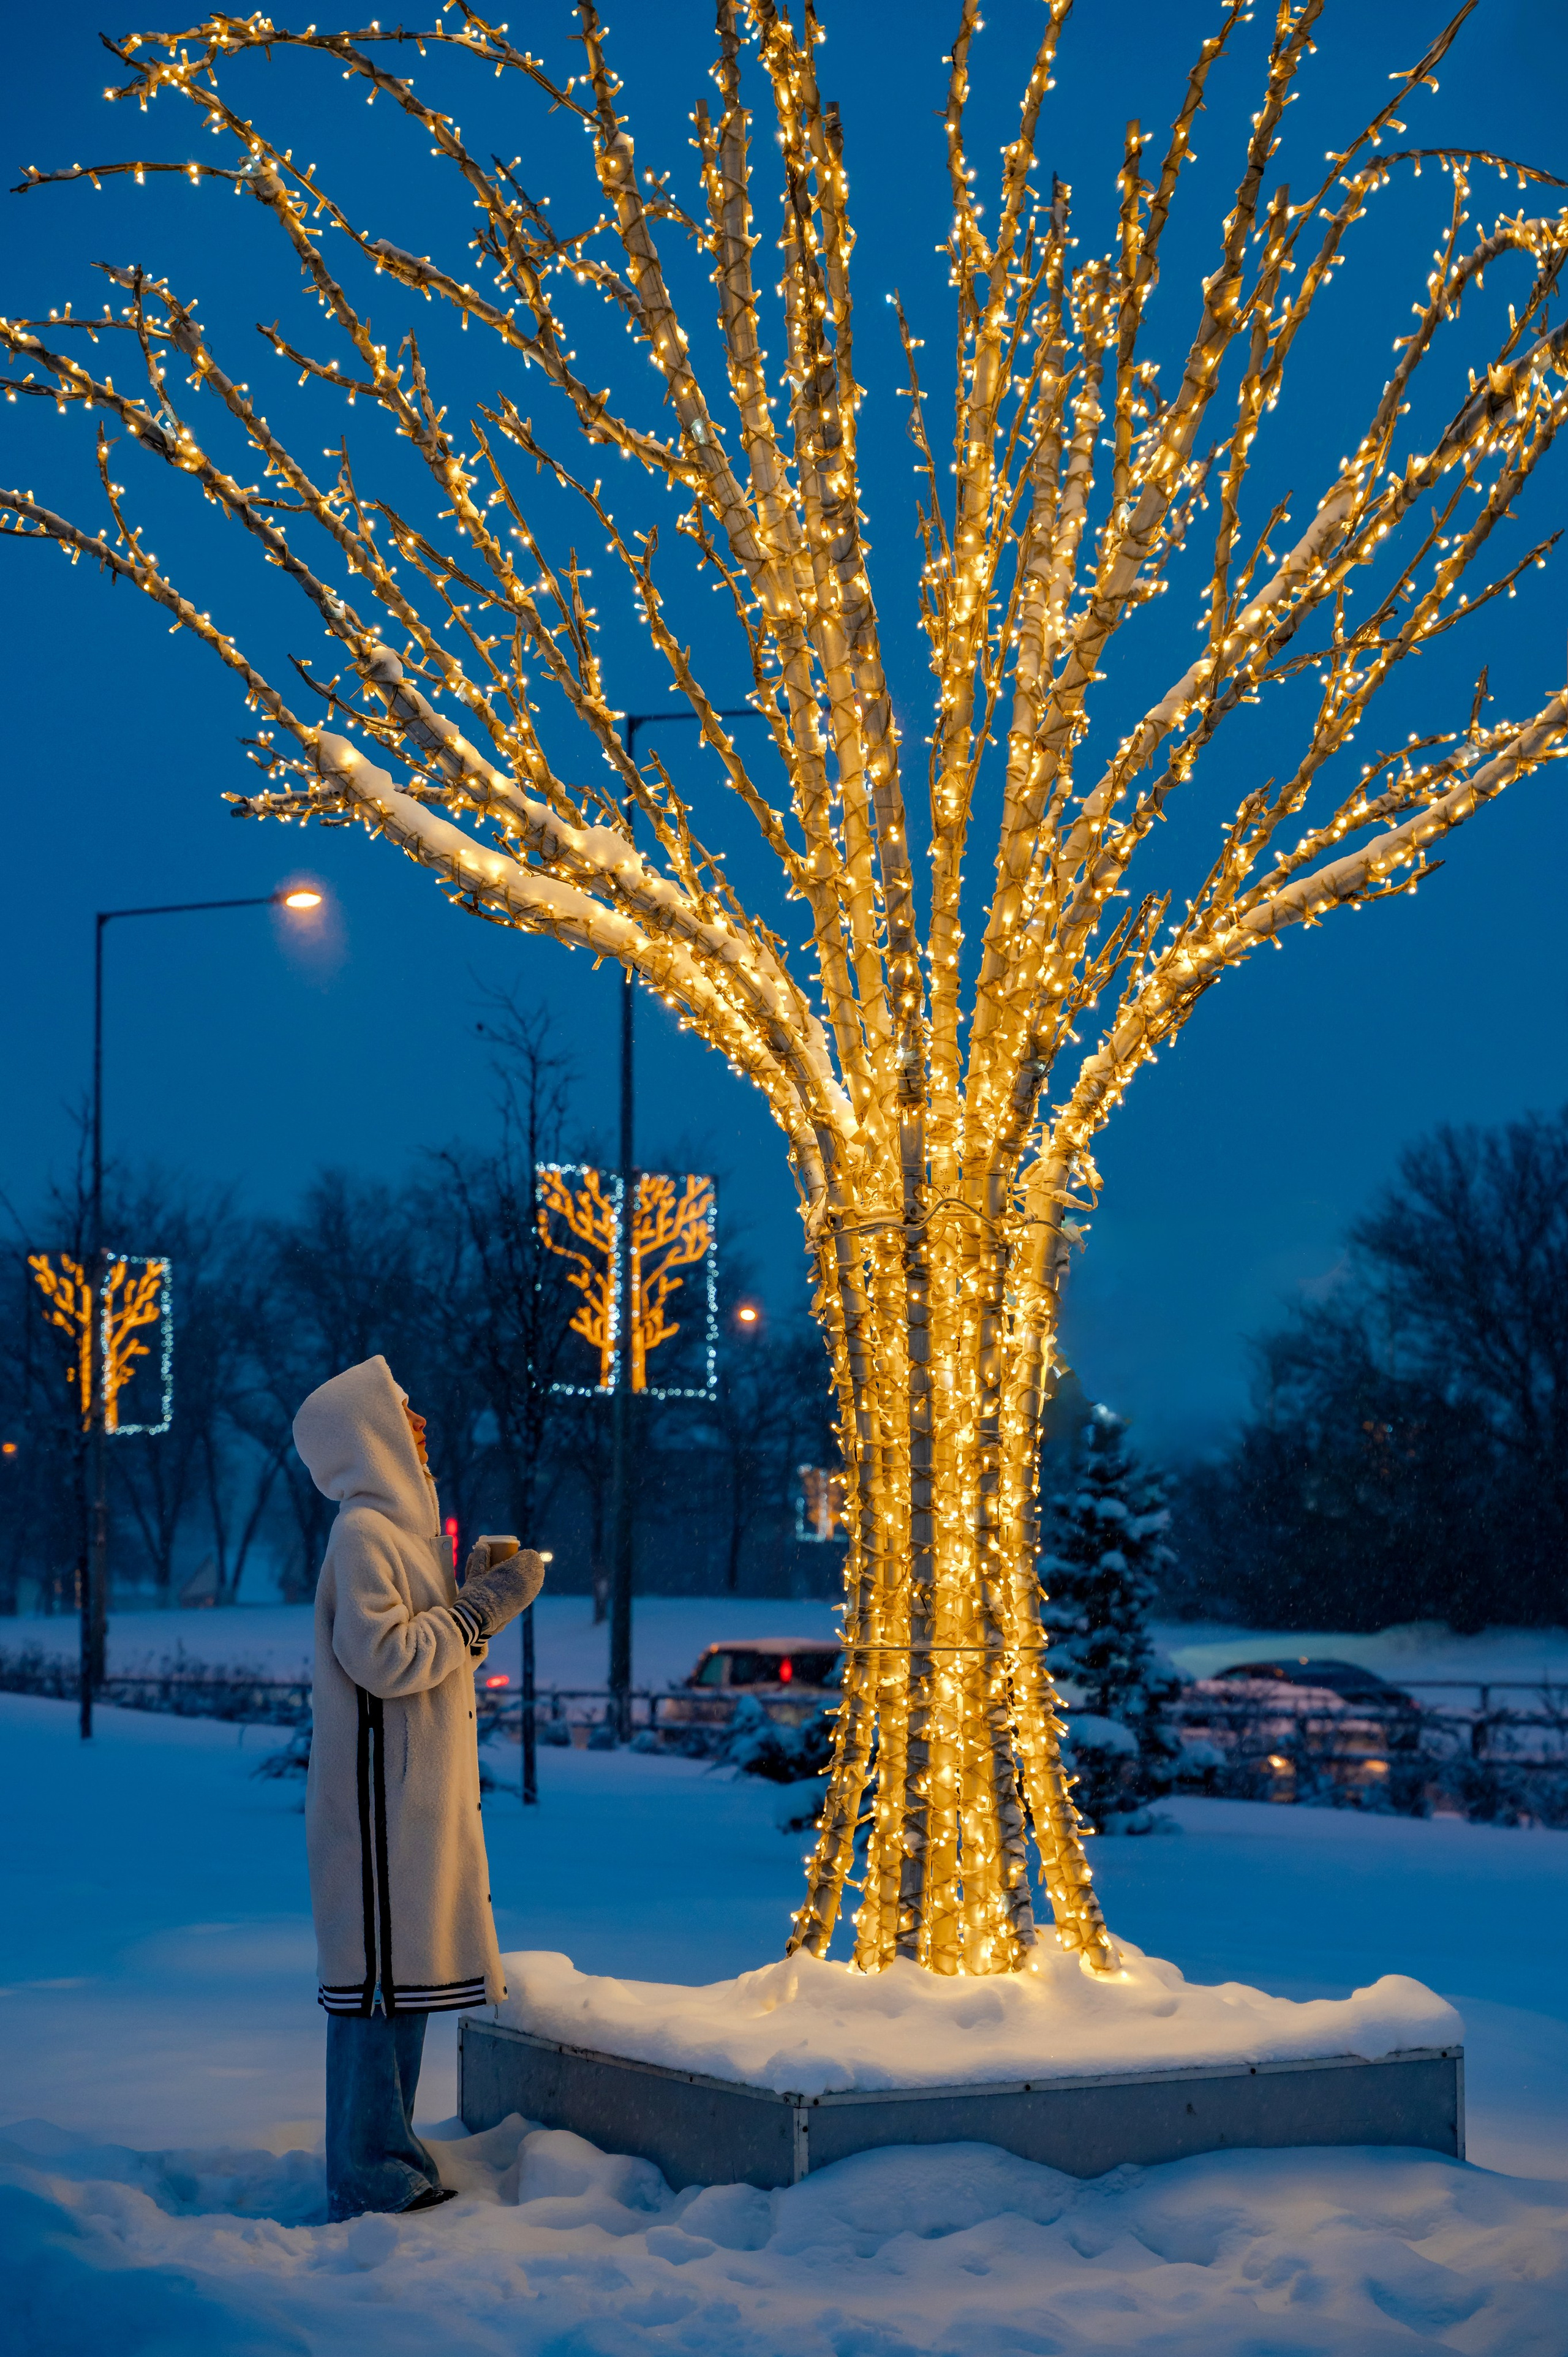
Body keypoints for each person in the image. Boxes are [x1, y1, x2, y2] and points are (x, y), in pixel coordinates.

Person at [292, 1354, 545, 2222]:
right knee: (378, 1987)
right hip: (379, 1816)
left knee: (404, 1986)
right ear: (371, 1432)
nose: (421, 1424)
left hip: (410, 1811)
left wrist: (469, 1587)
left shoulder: (402, 1539)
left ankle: (387, 2159)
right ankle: (370, 2175)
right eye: (405, 1411)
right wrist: (486, 1606)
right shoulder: (365, 1533)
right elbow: (387, 1658)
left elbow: (425, 1652)